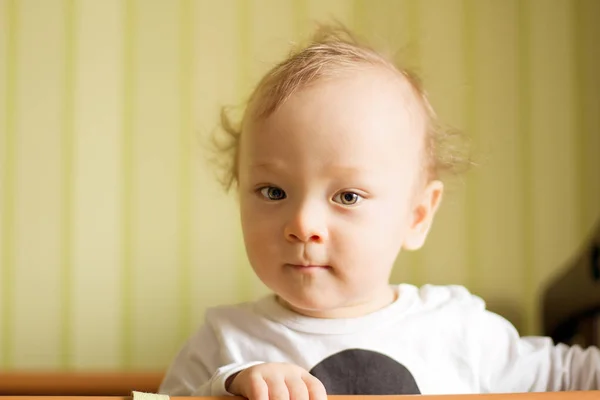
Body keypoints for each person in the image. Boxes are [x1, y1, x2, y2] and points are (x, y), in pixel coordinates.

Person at [159, 24, 600, 398]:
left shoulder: (456, 330)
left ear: (417, 216)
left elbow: (574, 376)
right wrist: (228, 386)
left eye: (347, 196)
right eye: (273, 192)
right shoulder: (225, 342)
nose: (303, 225)